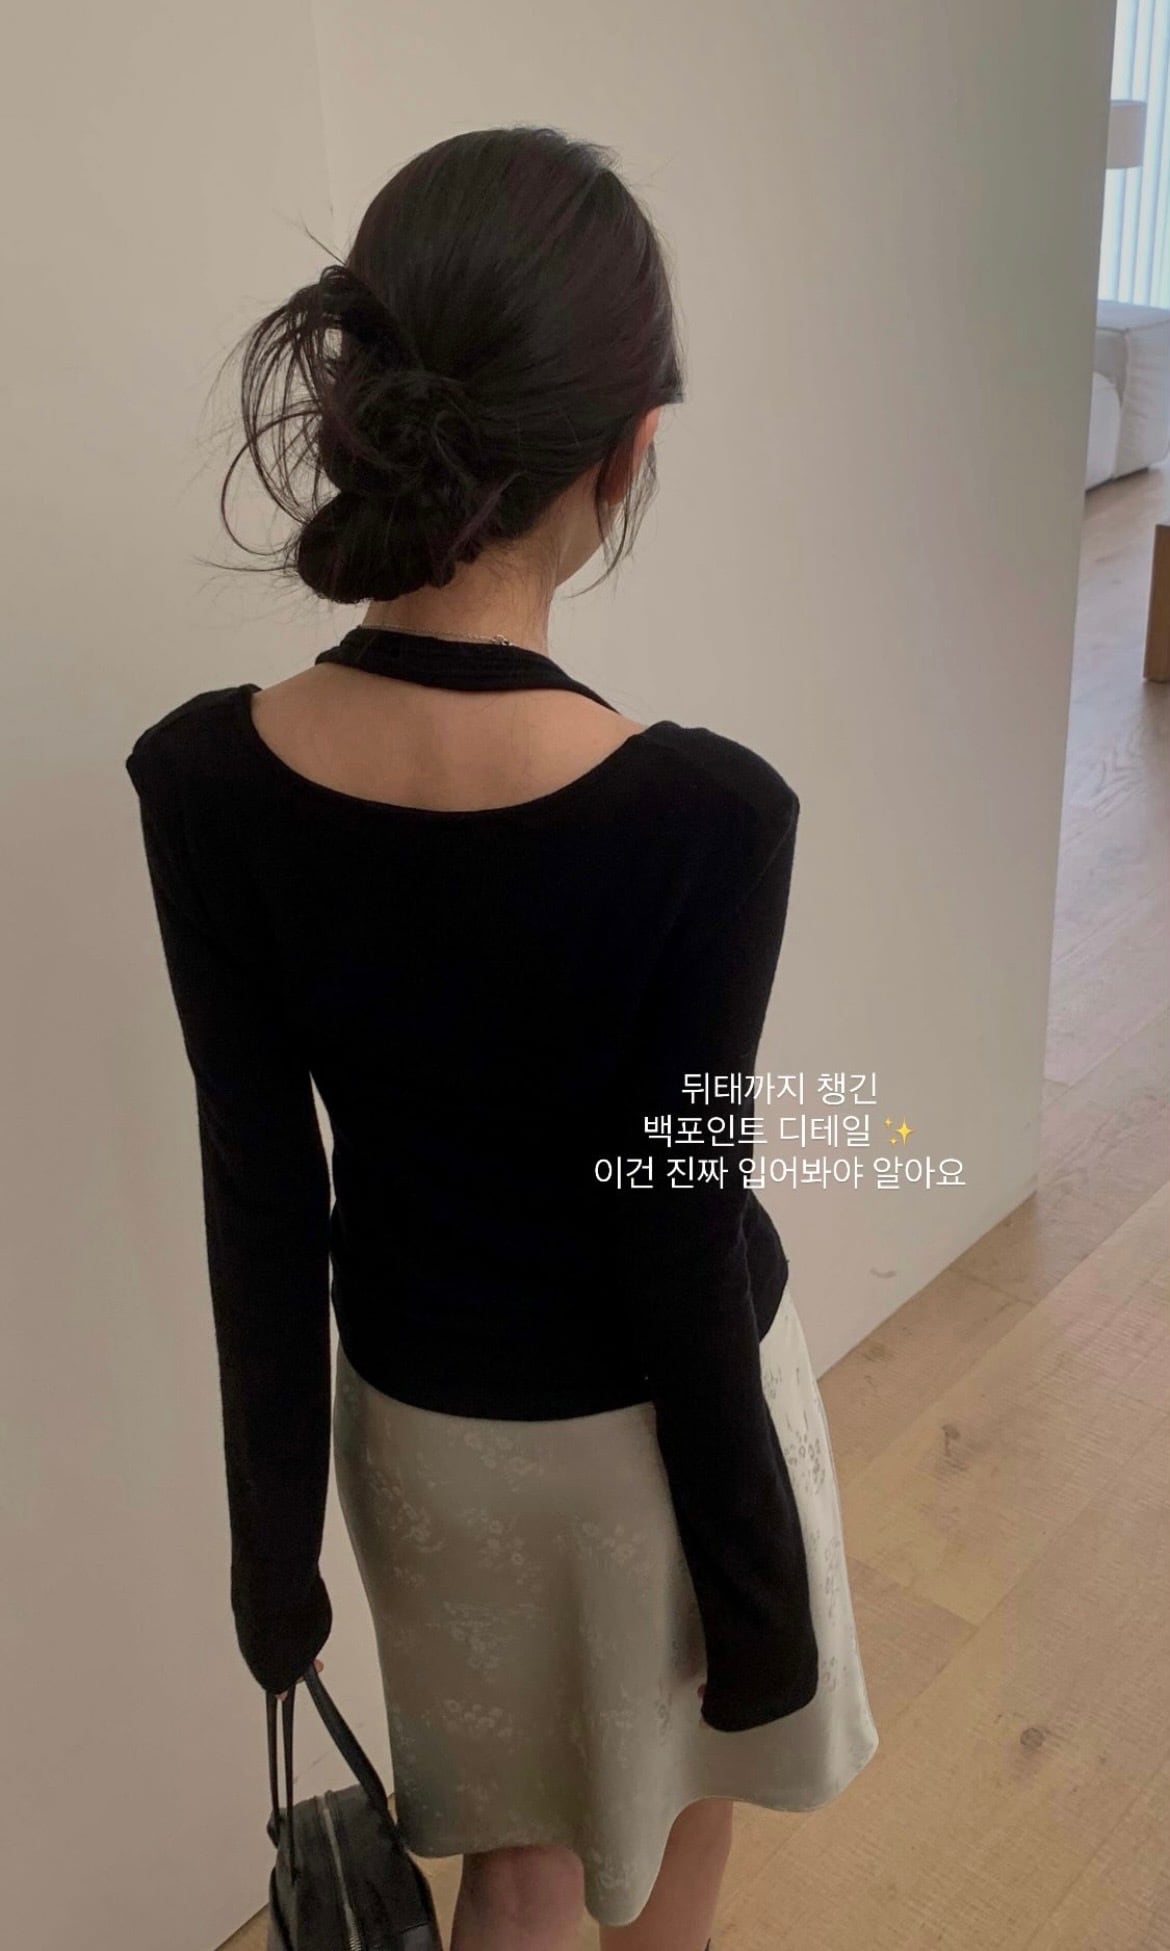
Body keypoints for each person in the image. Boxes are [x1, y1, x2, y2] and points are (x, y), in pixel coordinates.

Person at [125, 124, 878, 1951]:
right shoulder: (704, 819)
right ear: (626, 454)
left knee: (516, 1868)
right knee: (667, 1829)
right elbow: (676, 1230)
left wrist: (272, 1564)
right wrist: (756, 1601)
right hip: (659, 1442)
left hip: (422, 1435)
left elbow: (259, 1197)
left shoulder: (209, 779)